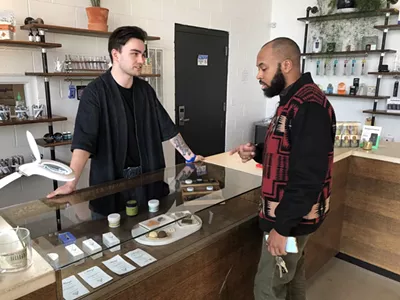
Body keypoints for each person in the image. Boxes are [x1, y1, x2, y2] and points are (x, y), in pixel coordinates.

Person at [47, 26, 203, 214]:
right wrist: (70, 184)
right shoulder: (95, 93)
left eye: (143, 55)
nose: (141, 60)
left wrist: (190, 157)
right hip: (110, 184)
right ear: (116, 54)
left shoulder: (145, 91)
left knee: (152, 232)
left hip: (148, 181)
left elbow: (168, 128)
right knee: (111, 237)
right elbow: (84, 142)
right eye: (135, 54)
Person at [230, 37, 336, 300]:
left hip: (290, 220)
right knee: (291, 279)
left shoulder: (308, 105)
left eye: (263, 68)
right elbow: (289, 154)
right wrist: (257, 151)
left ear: (286, 65)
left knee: (268, 288)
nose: (258, 75)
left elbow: (308, 176)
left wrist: (281, 228)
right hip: (290, 219)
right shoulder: (291, 99)